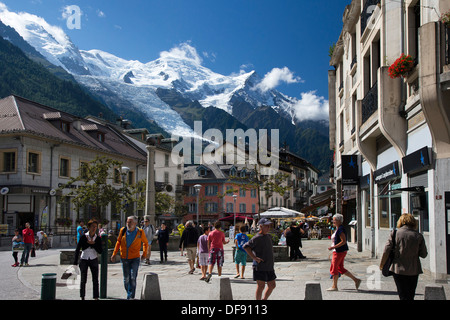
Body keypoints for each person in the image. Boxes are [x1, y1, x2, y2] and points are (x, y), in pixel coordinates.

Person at [380, 213, 428, 300]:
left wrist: (382, 264)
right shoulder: (418, 236)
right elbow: (424, 254)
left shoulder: (395, 234)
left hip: (398, 269)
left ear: (400, 222)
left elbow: (386, 250)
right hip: (414, 269)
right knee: (410, 295)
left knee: (402, 294)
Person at [111, 216, 148, 300]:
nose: (128, 223)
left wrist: (144, 254)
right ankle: (129, 292)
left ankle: (131, 296)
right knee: (126, 279)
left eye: (130, 222)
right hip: (124, 258)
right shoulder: (123, 230)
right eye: (127, 221)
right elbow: (118, 242)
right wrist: (114, 253)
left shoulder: (140, 232)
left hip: (135, 258)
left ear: (135, 223)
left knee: (132, 277)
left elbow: (145, 243)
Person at [243, 218, 276, 300]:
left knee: (272, 285)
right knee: (261, 286)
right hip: (260, 266)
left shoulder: (268, 236)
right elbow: (246, 247)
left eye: (269, 226)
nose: (268, 228)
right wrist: (254, 257)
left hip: (269, 266)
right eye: (266, 226)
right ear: (261, 226)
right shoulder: (257, 238)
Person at [327, 213, 361, 291]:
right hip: (340, 251)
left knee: (334, 268)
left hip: (339, 251)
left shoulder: (341, 229)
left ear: (339, 221)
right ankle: (356, 280)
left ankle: (334, 286)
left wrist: (333, 247)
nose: (333, 221)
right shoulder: (339, 228)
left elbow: (343, 241)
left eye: (334, 220)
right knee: (340, 268)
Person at [74, 219, 103, 300]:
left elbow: (100, 251)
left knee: (95, 279)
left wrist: (93, 244)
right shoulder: (84, 237)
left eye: (96, 227)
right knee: (83, 279)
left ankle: (96, 296)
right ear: (89, 227)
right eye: (93, 227)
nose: (94, 228)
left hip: (93, 259)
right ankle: (82, 296)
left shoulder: (97, 238)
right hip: (84, 258)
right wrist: (75, 262)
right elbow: (78, 249)